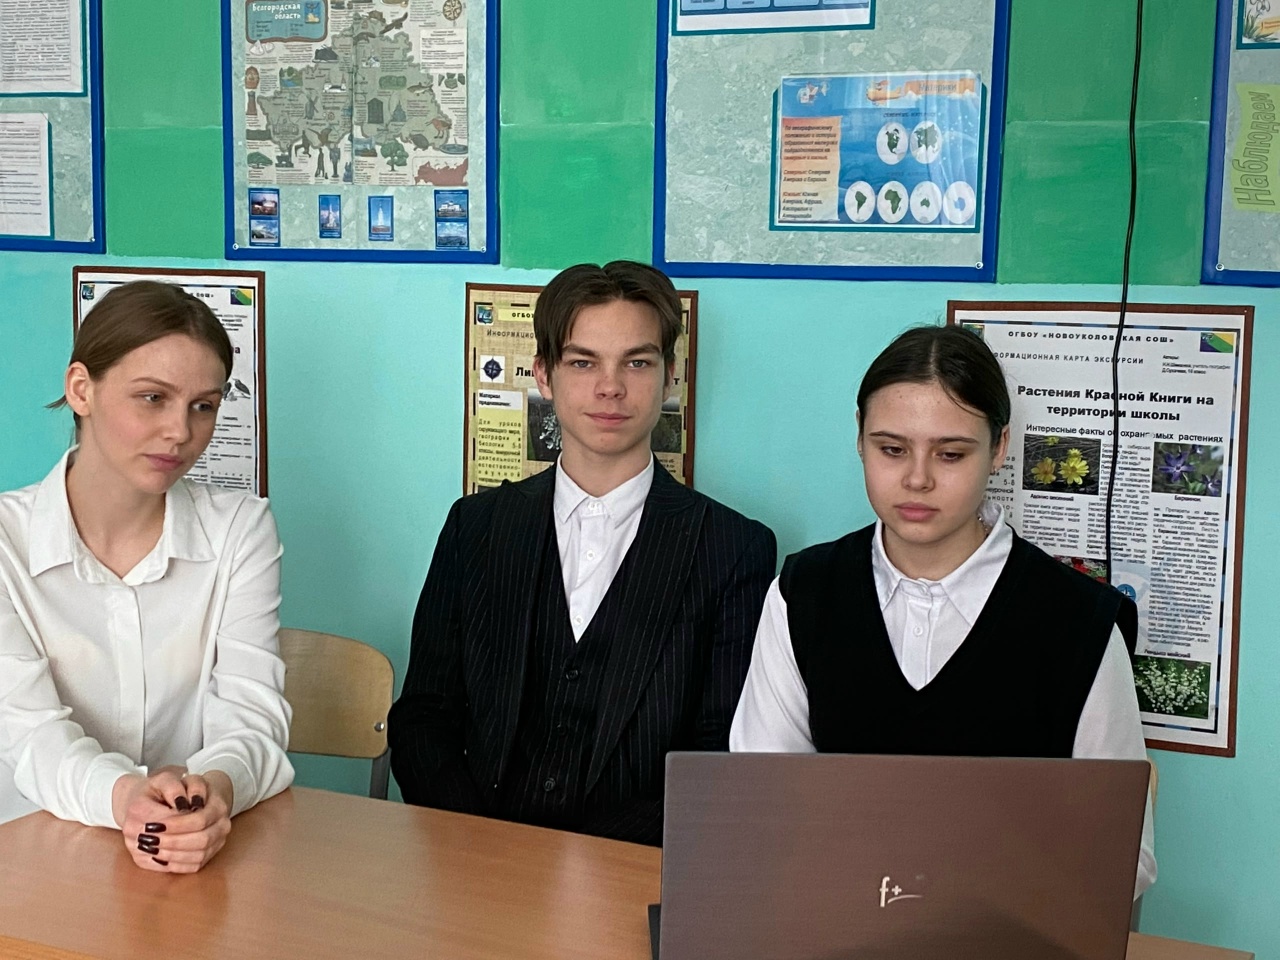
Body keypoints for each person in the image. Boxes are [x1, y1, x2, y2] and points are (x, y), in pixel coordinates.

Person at [730, 324, 1156, 897]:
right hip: (835, 916)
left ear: (999, 448)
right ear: (859, 439)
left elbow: (1123, 855)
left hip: (1008, 928)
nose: (917, 479)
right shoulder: (803, 593)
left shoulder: (1080, 622)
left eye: (951, 454)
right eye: (891, 449)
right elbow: (762, 798)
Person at [389, 260, 776, 846]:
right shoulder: (476, 527)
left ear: (670, 376)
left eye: (637, 362)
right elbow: (423, 718)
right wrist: (480, 846)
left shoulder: (733, 548)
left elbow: (719, 753)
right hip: (478, 859)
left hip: (633, 868)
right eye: (582, 362)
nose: (610, 387)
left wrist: (590, 868)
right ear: (544, 375)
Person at [0, 281, 294, 873]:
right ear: (81, 389)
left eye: (203, 406)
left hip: (196, 857)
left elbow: (253, 716)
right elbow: (30, 735)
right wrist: (130, 799)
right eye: (152, 398)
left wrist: (215, 791)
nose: (180, 432)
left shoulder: (240, 529)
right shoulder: (8, 542)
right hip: (33, 854)